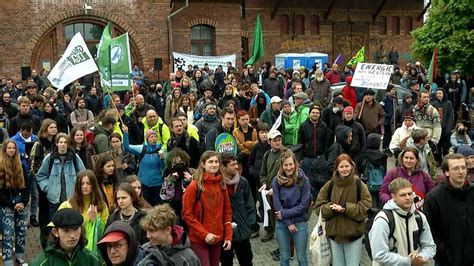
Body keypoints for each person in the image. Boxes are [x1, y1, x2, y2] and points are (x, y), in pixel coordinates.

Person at [315, 153, 371, 266]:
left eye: (346, 166)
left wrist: (345, 209)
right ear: (336, 168)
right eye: (341, 167)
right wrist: (331, 208)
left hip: (353, 236)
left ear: (352, 167)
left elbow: (366, 208)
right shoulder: (329, 185)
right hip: (334, 236)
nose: (344, 169)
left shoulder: (359, 185)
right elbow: (318, 208)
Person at [369, 178, 436, 265]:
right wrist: (408, 261)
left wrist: (421, 257)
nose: (408, 197)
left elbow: (430, 246)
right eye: (403, 195)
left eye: (410, 194)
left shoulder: (419, 217)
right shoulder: (383, 220)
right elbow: (379, 254)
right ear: (393, 197)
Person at [182, 151, 232, 266]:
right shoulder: (195, 186)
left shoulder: (221, 184)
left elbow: (227, 211)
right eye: (210, 162)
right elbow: (187, 214)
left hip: (217, 238)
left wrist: (228, 236)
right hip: (199, 239)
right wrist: (205, 234)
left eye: (216, 162)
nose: (214, 164)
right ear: (203, 164)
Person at [424, 153, 474, 266]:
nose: (461, 171)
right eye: (456, 168)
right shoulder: (434, 197)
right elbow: (430, 231)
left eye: (463, 167)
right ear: (446, 172)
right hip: (447, 260)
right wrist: (445, 254)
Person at [272, 150, 311, 266]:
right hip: (282, 223)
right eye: (286, 165)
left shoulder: (303, 180)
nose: (289, 168)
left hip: (300, 222)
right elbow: (277, 204)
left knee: (301, 257)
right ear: (282, 166)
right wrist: (288, 222)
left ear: (295, 164)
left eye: (291, 164)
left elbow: (303, 205)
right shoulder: (276, 181)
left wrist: (284, 214)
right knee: (284, 256)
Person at [56, 170, 109, 254]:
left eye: (88, 183)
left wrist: (95, 221)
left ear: (94, 185)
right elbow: (54, 226)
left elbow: (104, 232)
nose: (85, 186)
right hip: (72, 250)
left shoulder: (102, 206)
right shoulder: (67, 205)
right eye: (82, 184)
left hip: (93, 252)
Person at [36, 133, 85, 221]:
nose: (63, 144)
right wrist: (47, 187)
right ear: (57, 143)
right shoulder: (49, 158)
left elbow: (83, 174)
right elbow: (41, 175)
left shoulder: (74, 157)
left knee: (71, 222)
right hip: (54, 199)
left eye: (65, 142)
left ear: (68, 144)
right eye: (61, 142)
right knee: (55, 223)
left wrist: (79, 189)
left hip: (71, 198)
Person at [219, 153, 256, 266]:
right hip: (225, 235)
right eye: (233, 164)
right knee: (226, 263)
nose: (236, 167)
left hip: (242, 233)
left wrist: (248, 225)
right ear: (223, 167)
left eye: (236, 163)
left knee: (246, 262)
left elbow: (250, 205)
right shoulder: (218, 184)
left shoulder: (243, 182)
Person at [29, 208, 100, 265]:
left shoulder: (92, 259)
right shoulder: (40, 263)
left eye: (76, 229)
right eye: (66, 230)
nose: (72, 236)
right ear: (55, 232)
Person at [0, 140, 30, 266]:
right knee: (8, 234)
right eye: (9, 148)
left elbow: (27, 187)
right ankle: (7, 260)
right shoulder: (0, 166)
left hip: (21, 204)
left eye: (13, 148)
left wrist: (23, 202)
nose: (11, 150)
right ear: (5, 150)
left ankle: (20, 257)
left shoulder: (21, 165)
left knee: (21, 233)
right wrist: (12, 205)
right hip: (6, 206)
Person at [123, 125, 165, 206]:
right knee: (144, 205)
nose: (154, 139)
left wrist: (162, 159)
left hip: (158, 184)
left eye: (155, 136)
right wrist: (125, 133)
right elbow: (126, 147)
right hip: (144, 183)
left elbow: (163, 167)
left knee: (156, 206)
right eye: (151, 137)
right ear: (147, 139)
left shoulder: (161, 150)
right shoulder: (142, 149)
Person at [29, 119, 58, 227]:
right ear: (45, 129)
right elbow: (33, 166)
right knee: (44, 209)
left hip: (56, 180)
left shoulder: (58, 143)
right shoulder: (39, 144)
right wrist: (42, 182)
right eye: (51, 127)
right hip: (44, 182)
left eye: (55, 127)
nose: (54, 129)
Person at [259, 129, 285, 242]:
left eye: (279, 140)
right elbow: (263, 173)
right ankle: (270, 231)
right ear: (269, 141)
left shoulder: (285, 154)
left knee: (280, 215)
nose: (278, 143)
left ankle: (283, 240)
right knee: (268, 212)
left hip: (281, 190)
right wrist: (264, 183)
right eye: (275, 140)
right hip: (268, 190)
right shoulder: (267, 155)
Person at [299, 105, 330, 196]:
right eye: (313, 112)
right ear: (309, 114)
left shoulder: (324, 126)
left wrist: (325, 156)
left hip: (320, 157)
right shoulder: (303, 126)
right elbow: (300, 142)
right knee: (308, 182)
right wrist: (301, 157)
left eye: (317, 113)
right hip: (307, 158)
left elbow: (327, 142)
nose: (315, 114)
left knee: (321, 181)